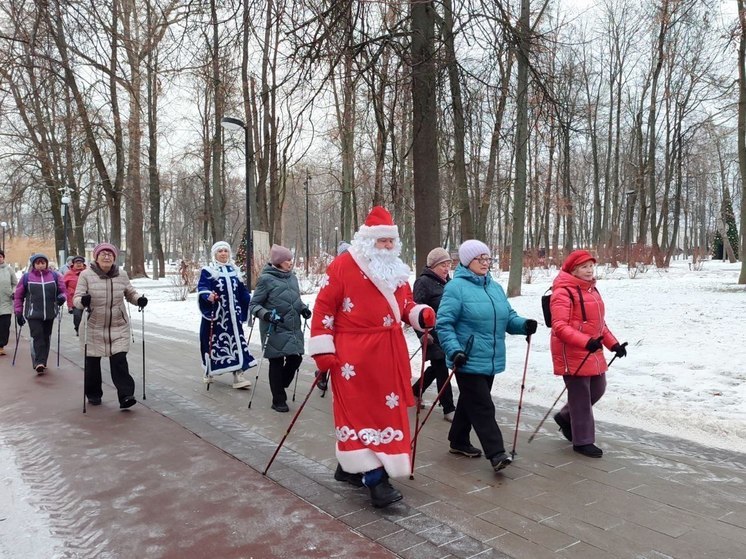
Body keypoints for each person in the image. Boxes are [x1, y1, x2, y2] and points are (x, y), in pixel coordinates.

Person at [309, 206, 435, 508]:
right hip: (352, 357)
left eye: (391, 241)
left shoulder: (396, 269)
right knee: (359, 412)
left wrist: (420, 314)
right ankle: (377, 481)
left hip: (389, 354)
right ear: (368, 241)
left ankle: (351, 466)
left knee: (386, 414)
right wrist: (323, 351)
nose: (388, 246)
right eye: (382, 241)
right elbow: (324, 308)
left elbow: (405, 304)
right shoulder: (342, 266)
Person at [436, 240, 538, 473]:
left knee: (470, 402)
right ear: (466, 261)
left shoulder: (494, 288)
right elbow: (444, 324)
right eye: (479, 259)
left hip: (490, 358)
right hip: (466, 358)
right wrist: (454, 350)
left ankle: (458, 440)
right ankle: (497, 453)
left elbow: (507, 317)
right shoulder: (455, 288)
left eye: (488, 258)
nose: (485, 263)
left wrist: (523, 325)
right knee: (483, 406)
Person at [549, 249, 626, 458]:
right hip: (572, 351)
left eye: (591, 266)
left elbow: (599, 325)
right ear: (573, 270)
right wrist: (586, 342)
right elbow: (559, 326)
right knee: (581, 396)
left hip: (592, 350)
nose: (589, 270)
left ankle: (566, 417)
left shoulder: (592, 291)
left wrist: (614, 345)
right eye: (584, 267)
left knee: (598, 388)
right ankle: (582, 441)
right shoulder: (562, 292)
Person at [73, 243, 147, 409]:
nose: (106, 257)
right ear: (96, 257)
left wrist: (139, 300)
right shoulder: (86, 274)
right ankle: (93, 394)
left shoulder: (121, 274)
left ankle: (126, 395)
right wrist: (82, 301)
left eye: (110, 254)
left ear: (114, 257)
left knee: (119, 360)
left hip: (117, 325)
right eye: (103, 254)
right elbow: (76, 298)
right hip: (93, 325)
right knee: (92, 363)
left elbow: (130, 293)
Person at [250, 244, 311, 412]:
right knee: (276, 362)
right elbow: (254, 305)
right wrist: (267, 315)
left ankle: (280, 384)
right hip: (274, 327)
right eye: (287, 260)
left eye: (291, 260)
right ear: (278, 261)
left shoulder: (292, 278)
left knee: (295, 358)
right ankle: (278, 399)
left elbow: (295, 300)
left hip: (292, 327)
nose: (290, 263)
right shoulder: (266, 279)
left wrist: (303, 308)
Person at [197, 241, 255, 389]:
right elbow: (202, 287)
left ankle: (238, 375)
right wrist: (208, 295)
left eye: (226, 251)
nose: (223, 253)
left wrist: (250, 303)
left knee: (237, 343)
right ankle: (209, 370)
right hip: (217, 317)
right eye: (220, 251)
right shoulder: (209, 271)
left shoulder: (235, 270)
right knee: (212, 344)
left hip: (233, 318)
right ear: (214, 254)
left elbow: (242, 292)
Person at [411, 247, 456, 421]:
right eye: (442, 265)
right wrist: (421, 334)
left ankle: (414, 391)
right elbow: (416, 311)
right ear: (433, 266)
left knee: (438, 368)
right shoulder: (422, 282)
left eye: (448, 264)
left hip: (447, 333)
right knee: (441, 368)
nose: (446, 268)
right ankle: (448, 408)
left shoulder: (449, 283)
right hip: (430, 334)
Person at [13, 253, 66, 373]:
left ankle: (43, 361)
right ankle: (38, 362)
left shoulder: (55, 276)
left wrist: (62, 297)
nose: (41, 265)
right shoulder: (26, 277)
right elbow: (18, 296)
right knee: (37, 336)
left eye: (43, 262)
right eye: (38, 263)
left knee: (46, 337)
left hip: (50, 313)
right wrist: (18, 313)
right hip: (33, 314)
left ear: (46, 264)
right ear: (33, 265)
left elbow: (63, 291)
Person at [63, 255, 87, 336]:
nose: (79, 264)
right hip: (74, 298)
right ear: (73, 264)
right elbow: (63, 286)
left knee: (87, 316)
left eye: (81, 262)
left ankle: (85, 330)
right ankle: (78, 328)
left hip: (86, 297)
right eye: (77, 262)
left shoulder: (88, 272)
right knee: (77, 315)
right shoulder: (69, 274)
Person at [0, 249, 18, 356]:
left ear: (3, 258)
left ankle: (1, 346)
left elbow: (15, 283)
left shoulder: (9, 269)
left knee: (4, 325)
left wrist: (13, 292)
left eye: (0, 256)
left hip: (6, 302)